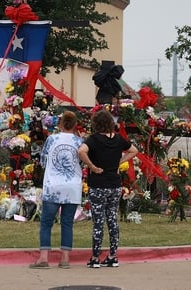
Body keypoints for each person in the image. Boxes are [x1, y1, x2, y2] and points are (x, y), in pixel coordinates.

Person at [78, 109, 138, 268]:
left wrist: (91, 165)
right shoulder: (118, 139)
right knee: (112, 219)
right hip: (115, 184)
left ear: (96, 124)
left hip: (98, 183)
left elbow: (81, 151)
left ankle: (95, 257)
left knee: (98, 221)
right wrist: (119, 162)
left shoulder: (94, 140)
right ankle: (112, 255)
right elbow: (134, 151)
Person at [29, 110, 83, 270]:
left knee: (46, 223)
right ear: (75, 125)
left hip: (53, 185)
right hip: (72, 186)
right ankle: (65, 258)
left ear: (60, 124)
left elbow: (43, 161)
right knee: (67, 223)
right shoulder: (80, 141)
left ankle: (43, 257)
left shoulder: (51, 139)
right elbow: (82, 162)